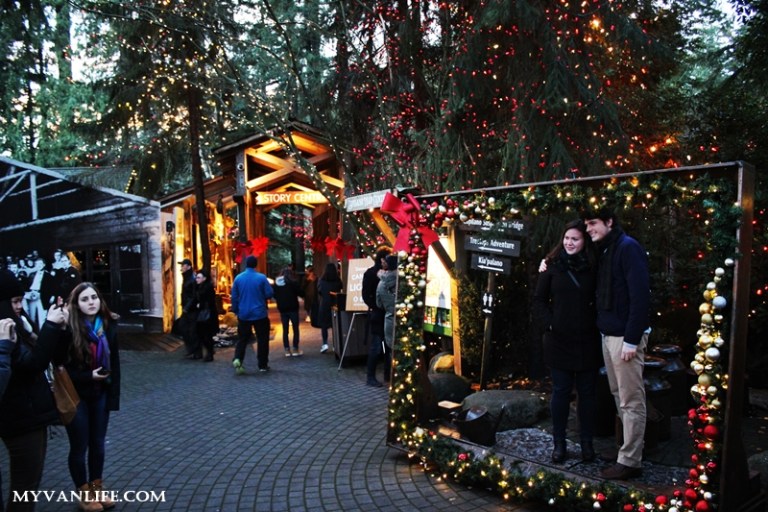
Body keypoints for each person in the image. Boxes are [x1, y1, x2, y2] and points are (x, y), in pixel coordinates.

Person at [584, 208, 651, 481]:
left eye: (593, 223)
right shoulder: (606, 250)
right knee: (618, 395)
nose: (589, 229)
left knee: (630, 400)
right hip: (609, 335)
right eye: (587, 225)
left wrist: (632, 339)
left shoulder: (627, 248)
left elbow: (640, 296)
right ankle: (628, 452)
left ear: (609, 222)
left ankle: (631, 461)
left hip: (625, 337)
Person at [532, 220, 602, 464]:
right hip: (558, 340)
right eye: (567, 238)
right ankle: (559, 443)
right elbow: (539, 300)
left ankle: (586, 443)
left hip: (587, 340)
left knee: (587, 394)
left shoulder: (594, 265)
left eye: (576, 239)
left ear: (585, 242)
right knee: (560, 393)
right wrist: (551, 323)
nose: (570, 243)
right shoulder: (551, 265)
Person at [0, 269, 68, 512]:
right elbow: (32, 364)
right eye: (15, 301)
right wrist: (50, 326)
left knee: (27, 486)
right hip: (20, 419)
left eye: (20, 300)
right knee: (24, 489)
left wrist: (57, 330)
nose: (19, 306)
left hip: (28, 415)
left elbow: (45, 355)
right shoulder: (4, 329)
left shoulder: (18, 324)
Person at [58, 282, 121, 512]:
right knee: (79, 446)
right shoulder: (68, 328)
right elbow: (61, 368)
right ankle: (84, 493)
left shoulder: (108, 325)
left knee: (98, 445)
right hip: (76, 396)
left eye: (94, 297)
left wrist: (113, 397)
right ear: (76, 304)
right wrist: (88, 376)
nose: (91, 302)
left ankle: (97, 488)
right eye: (85, 299)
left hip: (100, 393)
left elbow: (115, 364)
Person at [231, 255, 274, 374]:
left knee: (242, 339)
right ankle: (262, 365)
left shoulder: (238, 278)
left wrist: (236, 310)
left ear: (246, 265)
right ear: (256, 265)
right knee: (262, 339)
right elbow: (269, 293)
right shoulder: (261, 278)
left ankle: (238, 358)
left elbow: (234, 297)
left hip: (244, 313)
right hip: (259, 313)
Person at [362, 247, 391, 387]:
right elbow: (366, 295)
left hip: (383, 314)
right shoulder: (372, 274)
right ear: (382, 259)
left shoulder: (388, 274)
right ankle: (371, 376)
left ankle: (386, 374)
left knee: (386, 347)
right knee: (377, 347)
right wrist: (378, 306)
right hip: (379, 315)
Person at [375, 254, 399, 383]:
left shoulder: (380, 284)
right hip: (404, 317)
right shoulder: (403, 280)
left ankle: (392, 376)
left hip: (389, 319)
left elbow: (378, 304)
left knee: (391, 349)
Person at [272, 267, 303, 357]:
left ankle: (286, 349)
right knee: (295, 328)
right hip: (293, 308)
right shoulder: (293, 283)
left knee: (285, 329)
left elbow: (274, 294)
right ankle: (295, 348)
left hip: (282, 309)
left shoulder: (277, 284)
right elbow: (301, 293)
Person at [316, 262, 342, 354]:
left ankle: (325, 344)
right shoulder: (338, 280)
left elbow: (319, 291)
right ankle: (335, 345)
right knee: (335, 325)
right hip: (335, 304)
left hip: (324, 304)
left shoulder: (321, 280)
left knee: (324, 326)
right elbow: (340, 289)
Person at [193, 269, 219, 362]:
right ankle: (210, 352)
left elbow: (209, 301)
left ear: (204, 278)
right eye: (196, 277)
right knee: (204, 334)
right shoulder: (199, 287)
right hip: (204, 314)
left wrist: (200, 304)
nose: (197, 279)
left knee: (205, 334)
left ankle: (210, 352)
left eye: (199, 277)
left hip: (207, 315)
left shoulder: (207, 288)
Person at [178, 259, 199, 359]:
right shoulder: (187, 278)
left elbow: (194, 296)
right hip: (187, 308)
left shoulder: (192, 279)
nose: (181, 267)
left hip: (191, 309)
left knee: (192, 330)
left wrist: (187, 307)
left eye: (183, 265)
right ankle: (192, 349)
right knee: (184, 328)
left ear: (189, 267)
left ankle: (196, 351)